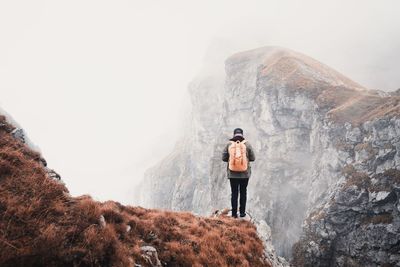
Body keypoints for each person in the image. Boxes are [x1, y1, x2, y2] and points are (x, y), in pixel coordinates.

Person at [222, 128, 255, 218]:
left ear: (234, 134)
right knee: (243, 192)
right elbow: (253, 158)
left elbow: (223, 158)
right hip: (245, 174)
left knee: (234, 193)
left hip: (232, 174)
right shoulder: (247, 144)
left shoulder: (229, 144)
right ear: (242, 134)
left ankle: (233, 214)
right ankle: (242, 213)